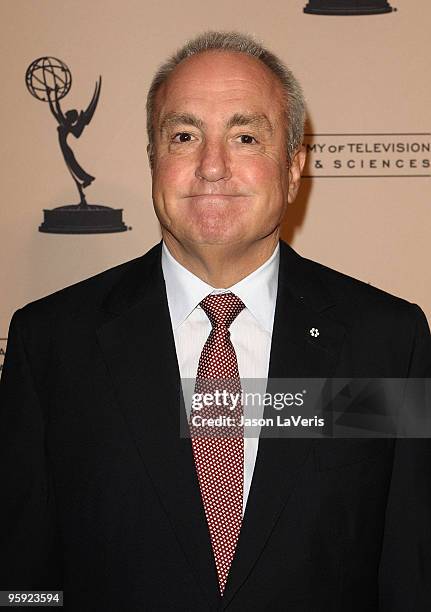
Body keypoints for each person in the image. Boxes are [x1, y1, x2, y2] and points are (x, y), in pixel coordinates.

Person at [1, 31, 430, 611]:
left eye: (245, 136)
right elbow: (23, 579)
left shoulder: (386, 341)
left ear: (294, 165)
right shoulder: (51, 342)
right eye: (183, 137)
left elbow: (409, 570)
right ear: (154, 159)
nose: (211, 166)